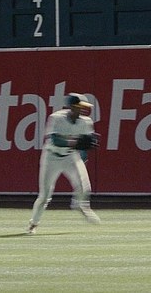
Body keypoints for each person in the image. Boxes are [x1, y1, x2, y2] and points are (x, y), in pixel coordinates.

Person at [27, 93, 101, 234]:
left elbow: (85, 144)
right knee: (45, 196)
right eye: (79, 106)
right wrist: (74, 142)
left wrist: (83, 159)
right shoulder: (57, 118)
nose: (83, 109)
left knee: (84, 187)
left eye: (84, 106)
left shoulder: (86, 122)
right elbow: (55, 140)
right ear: (71, 107)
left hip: (70, 156)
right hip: (51, 157)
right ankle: (33, 224)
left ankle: (79, 205)